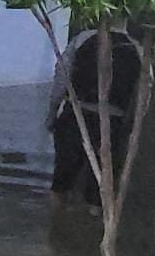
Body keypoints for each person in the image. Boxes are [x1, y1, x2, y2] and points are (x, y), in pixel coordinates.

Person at [46, 22, 141, 215]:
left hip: (76, 116)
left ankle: (54, 223)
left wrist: (52, 113)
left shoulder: (83, 39)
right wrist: (129, 127)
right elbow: (140, 96)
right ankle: (94, 226)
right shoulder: (137, 49)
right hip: (112, 123)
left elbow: (62, 77)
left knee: (61, 182)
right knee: (99, 192)